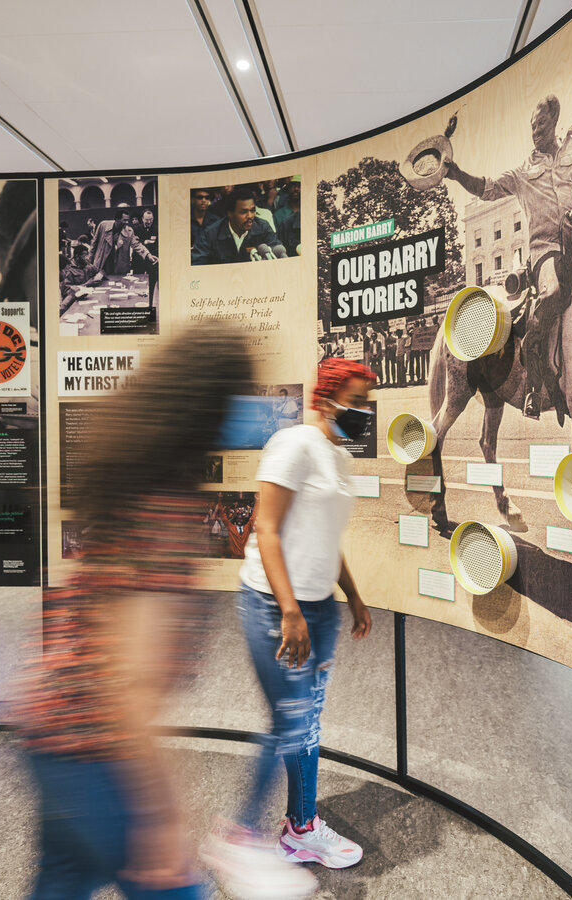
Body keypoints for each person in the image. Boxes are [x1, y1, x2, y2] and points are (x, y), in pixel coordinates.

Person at [13, 325, 259, 900]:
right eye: (240, 397)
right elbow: (134, 686)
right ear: (209, 408)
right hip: (96, 752)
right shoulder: (165, 510)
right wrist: (160, 818)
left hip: (47, 727)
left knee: (62, 880)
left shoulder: (126, 486)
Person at [200, 358, 377, 898]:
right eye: (356, 401)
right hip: (274, 607)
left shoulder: (339, 457)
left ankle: (300, 830)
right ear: (325, 398)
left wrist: (352, 594)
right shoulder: (293, 444)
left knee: (306, 724)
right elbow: (268, 530)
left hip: (319, 609)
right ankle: (238, 835)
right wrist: (290, 611)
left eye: (366, 403)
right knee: (289, 721)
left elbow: (324, 538)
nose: (364, 412)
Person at [445, 94, 572, 421]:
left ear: (554, 120)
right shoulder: (523, 172)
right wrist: (457, 174)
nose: (535, 131)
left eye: (540, 123)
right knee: (551, 294)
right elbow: (487, 188)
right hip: (546, 252)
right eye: (532, 126)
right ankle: (534, 383)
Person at [191, 188, 284, 265]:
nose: (250, 216)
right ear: (230, 214)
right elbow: (197, 263)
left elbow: (276, 250)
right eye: (244, 212)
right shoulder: (210, 233)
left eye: (252, 210)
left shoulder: (263, 227)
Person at [91, 210, 158, 277]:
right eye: (124, 220)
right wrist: (90, 260)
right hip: (103, 263)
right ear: (117, 219)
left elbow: (137, 245)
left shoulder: (129, 231)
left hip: (118, 267)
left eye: (127, 220)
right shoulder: (103, 226)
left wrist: (148, 255)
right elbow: (94, 243)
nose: (127, 222)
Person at [133, 209, 160, 301]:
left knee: (152, 284)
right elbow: (135, 245)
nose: (149, 222)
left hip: (152, 260)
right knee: (137, 283)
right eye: (146, 219)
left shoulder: (157, 229)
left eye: (151, 219)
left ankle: (151, 302)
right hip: (138, 261)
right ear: (142, 219)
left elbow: (158, 245)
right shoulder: (136, 229)